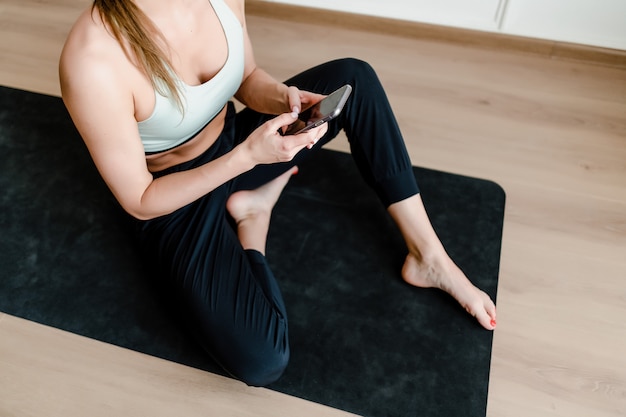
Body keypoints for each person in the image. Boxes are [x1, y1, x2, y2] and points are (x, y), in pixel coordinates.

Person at [59, 0, 497, 387]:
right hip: (173, 200)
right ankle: (253, 218)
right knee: (263, 359)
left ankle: (428, 258)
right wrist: (248, 158)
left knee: (354, 78)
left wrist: (284, 98)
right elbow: (139, 199)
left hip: (234, 143)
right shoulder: (91, 59)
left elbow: (246, 77)